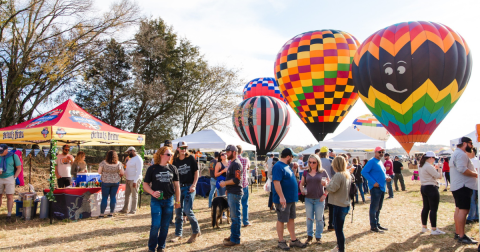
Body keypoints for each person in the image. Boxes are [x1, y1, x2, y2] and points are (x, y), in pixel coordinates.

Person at [143, 146, 181, 252]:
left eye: (171, 154)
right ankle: (151, 248)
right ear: (161, 155)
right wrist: (152, 192)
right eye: (168, 154)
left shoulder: (173, 168)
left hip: (169, 200)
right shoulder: (152, 168)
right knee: (156, 225)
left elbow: (177, 186)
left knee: (165, 226)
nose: (170, 156)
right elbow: (145, 185)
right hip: (156, 201)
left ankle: (161, 247)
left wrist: (177, 201)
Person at [272, 148, 306, 250]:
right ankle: (281, 241)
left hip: (290, 199)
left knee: (291, 219)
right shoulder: (278, 166)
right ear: (288, 157)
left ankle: (293, 240)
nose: (292, 159)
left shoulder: (287, 166)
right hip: (283, 199)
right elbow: (276, 182)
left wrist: (294, 170)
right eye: (292, 157)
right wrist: (281, 197)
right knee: (281, 219)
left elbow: (289, 178)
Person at [449, 136, 478, 244]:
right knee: (463, 210)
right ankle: (461, 235)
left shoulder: (456, 153)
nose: (472, 146)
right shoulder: (461, 154)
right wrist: (476, 174)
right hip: (463, 186)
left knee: (459, 209)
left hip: (458, 186)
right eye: (471, 144)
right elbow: (462, 169)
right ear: (466, 143)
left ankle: (458, 233)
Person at [171, 141, 200, 244]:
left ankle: (195, 232)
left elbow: (196, 172)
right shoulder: (175, 161)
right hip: (179, 189)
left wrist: (194, 185)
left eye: (185, 148)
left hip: (189, 188)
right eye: (182, 148)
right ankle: (178, 235)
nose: (184, 150)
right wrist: (174, 188)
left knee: (187, 210)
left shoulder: (191, 158)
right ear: (178, 149)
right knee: (178, 212)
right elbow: (174, 177)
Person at [324, 156, 352, 252]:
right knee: (339, 228)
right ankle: (339, 246)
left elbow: (332, 189)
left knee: (338, 230)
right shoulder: (347, 174)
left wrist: (326, 185)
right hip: (345, 204)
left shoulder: (338, 175)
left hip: (339, 205)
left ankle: (341, 248)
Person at [300, 154, 329, 244]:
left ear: (318, 163)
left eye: (314, 162)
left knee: (319, 218)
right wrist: (302, 190)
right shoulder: (306, 172)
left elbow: (329, 184)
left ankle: (318, 236)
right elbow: (302, 183)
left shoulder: (322, 172)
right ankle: (309, 236)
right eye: (310, 162)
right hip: (308, 198)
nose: (311, 164)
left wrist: (325, 194)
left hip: (319, 199)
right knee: (309, 218)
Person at [218, 145, 244, 246]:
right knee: (234, 216)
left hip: (235, 193)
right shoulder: (232, 163)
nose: (226, 153)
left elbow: (237, 179)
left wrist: (225, 184)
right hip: (232, 192)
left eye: (228, 152)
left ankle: (235, 239)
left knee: (235, 217)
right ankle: (234, 235)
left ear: (234, 152)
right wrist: (227, 189)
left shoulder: (236, 164)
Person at [362, 146, 391, 233]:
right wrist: (373, 182)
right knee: (374, 207)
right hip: (375, 188)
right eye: (379, 152)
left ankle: (377, 223)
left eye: (382, 152)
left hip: (382, 187)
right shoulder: (371, 161)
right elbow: (364, 172)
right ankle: (373, 226)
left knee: (379, 207)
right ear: (375, 152)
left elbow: (382, 173)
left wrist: (386, 177)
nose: (381, 153)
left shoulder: (380, 162)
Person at [418, 151, 444, 235]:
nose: (434, 160)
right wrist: (440, 168)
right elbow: (439, 176)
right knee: (433, 209)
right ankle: (434, 229)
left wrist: (435, 168)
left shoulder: (421, 165)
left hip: (424, 187)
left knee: (426, 208)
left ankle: (424, 227)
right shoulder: (428, 166)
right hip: (431, 188)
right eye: (434, 158)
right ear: (430, 158)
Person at [98, 150, 124, 218]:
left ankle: (101, 214)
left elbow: (99, 172)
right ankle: (111, 213)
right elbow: (122, 173)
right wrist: (117, 175)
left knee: (104, 197)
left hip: (105, 181)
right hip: (115, 182)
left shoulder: (103, 163)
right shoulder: (119, 163)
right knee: (113, 197)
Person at [0, 144, 21, 222]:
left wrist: (14, 178)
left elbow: (19, 168)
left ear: (7, 150)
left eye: (2, 151)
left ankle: (9, 214)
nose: (0, 153)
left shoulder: (13, 156)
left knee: (9, 196)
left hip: (10, 178)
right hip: (0, 178)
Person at [121, 146, 143, 215]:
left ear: (132, 151)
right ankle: (125, 209)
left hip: (134, 179)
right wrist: (123, 174)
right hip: (128, 179)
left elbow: (139, 171)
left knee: (134, 195)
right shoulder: (130, 159)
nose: (128, 153)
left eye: (128, 152)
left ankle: (133, 210)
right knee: (127, 194)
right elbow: (127, 169)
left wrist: (135, 181)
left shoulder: (138, 159)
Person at [319, 146, 335, 231]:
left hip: (319, 186)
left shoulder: (317, 161)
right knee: (331, 206)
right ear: (327, 153)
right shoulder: (330, 161)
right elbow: (333, 174)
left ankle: (322, 222)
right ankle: (331, 224)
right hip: (329, 186)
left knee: (321, 205)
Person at [236, 145, 252, 227]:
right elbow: (248, 167)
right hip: (244, 184)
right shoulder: (245, 160)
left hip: (235, 185)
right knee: (245, 204)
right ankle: (245, 221)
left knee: (236, 205)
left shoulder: (232, 161)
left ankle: (236, 221)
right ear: (241, 151)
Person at [467, 147, 480, 224]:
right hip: (474, 183)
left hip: (473, 183)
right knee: (475, 201)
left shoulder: (472, 161)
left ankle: (471, 217)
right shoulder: (477, 160)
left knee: (472, 200)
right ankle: (476, 216)